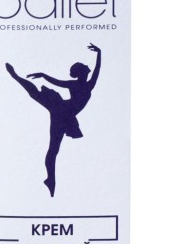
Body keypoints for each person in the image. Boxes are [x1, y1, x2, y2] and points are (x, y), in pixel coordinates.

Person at [6, 43, 101, 197]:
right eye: (85, 67)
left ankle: (50, 179)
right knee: (53, 148)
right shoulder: (82, 84)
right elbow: (57, 82)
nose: (87, 68)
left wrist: (99, 53)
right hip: (62, 109)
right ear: (81, 73)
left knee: (53, 149)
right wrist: (43, 75)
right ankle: (16, 77)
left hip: (64, 113)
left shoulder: (87, 84)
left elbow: (97, 69)